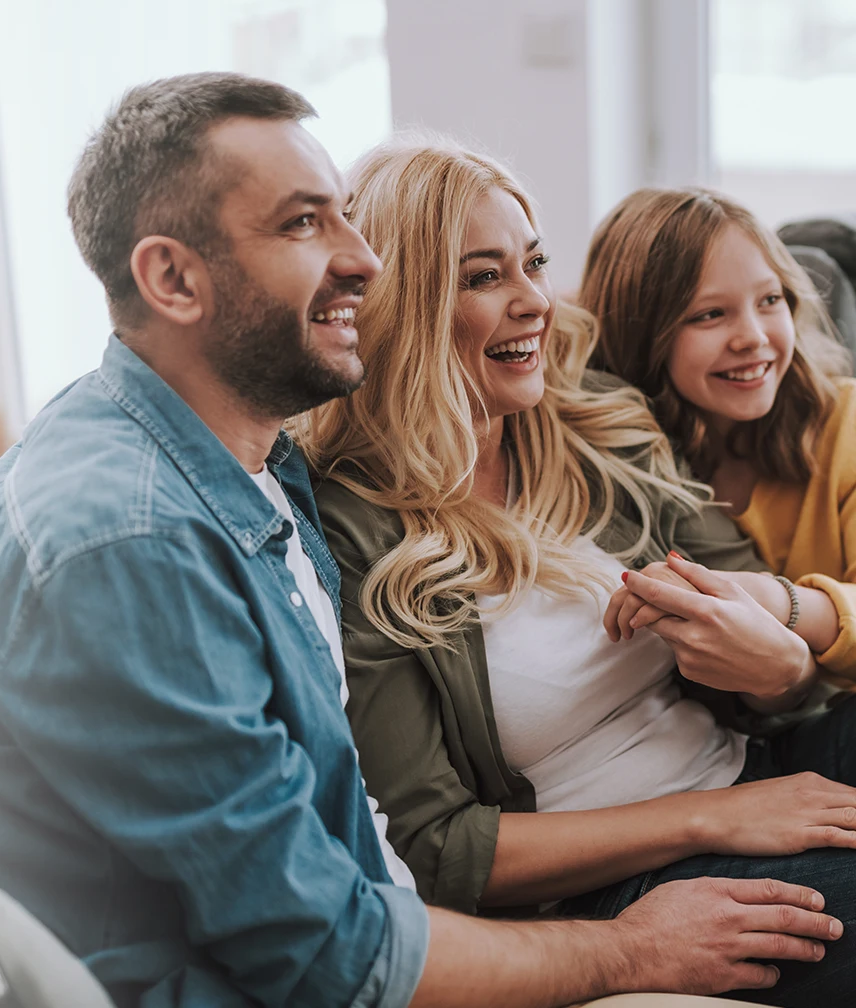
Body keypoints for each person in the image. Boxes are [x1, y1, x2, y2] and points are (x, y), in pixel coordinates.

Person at [295, 135, 856, 1008]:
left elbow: (771, 650)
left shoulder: (592, 425)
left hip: (762, 767)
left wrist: (775, 672)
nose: (534, 302)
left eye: (534, 263)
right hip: (641, 873)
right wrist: (715, 816)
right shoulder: (352, 530)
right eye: (483, 278)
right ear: (404, 305)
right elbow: (434, 846)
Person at [578, 187, 854, 683]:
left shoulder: (847, 421)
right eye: (710, 314)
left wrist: (771, 598)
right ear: (642, 333)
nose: (754, 336)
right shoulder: (626, 455)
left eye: (770, 300)